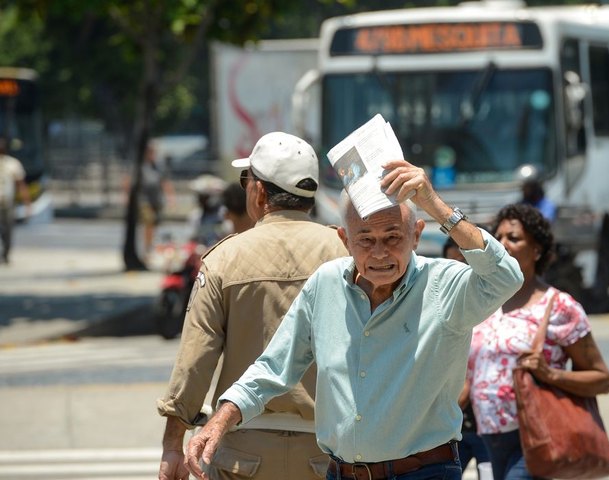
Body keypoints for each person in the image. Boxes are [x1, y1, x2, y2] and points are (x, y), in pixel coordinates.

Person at [182, 158, 525, 480]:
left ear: (416, 235)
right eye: (365, 240)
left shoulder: (445, 284)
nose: (379, 253)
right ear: (344, 240)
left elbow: (506, 277)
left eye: (393, 237)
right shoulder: (325, 283)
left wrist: (434, 203)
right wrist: (219, 420)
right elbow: (274, 367)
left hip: (424, 471)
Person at [156, 131, 350, 480]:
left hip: (242, 451)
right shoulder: (347, 252)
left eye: (247, 179)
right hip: (331, 450)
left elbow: (195, 359)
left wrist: (173, 444)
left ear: (259, 192)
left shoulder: (224, 258)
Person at [467, 203, 609, 480]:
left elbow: (601, 378)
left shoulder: (558, 306)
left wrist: (550, 374)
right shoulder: (483, 299)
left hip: (535, 435)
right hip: (487, 435)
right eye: (498, 237)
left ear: (537, 250)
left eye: (514, 238)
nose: (503, 244)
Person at [442, 236, 491, 478]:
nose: (460, 269)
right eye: (453, 261)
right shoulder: (440, 305)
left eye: (466, 261)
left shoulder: (494, 304)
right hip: (452, 428)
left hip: (490, 427)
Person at [139, 142, 175, 256]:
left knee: (154, 225)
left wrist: (171, 198)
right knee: (149, 222)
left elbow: (165, 182)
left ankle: (149, 245)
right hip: (144, 200)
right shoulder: (141, 166)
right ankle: (147, 248)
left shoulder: (158, 166)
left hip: (156, 200)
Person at [0, 137, 30, 264]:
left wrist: (27, 202)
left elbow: (21, 184)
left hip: (7, 202)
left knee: (8, 230)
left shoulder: (13, 163)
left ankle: (6, 253)